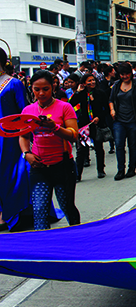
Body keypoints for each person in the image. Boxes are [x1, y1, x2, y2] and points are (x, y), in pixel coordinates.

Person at [20, 71, 80, 230]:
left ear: (53, 87)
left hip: (63, 166)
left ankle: (79, 239)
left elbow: (74, 135)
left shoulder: (64, 107)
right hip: (39, 168)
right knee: (39, 210)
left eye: (45, 89)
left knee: (68, 208)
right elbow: (23, 136)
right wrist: (27, 154)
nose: (41, 93)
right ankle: (44, 249)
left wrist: (54, 127)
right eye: (36, 89)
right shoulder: (27, 110)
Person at [0, 48, 30, 231]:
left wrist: (25, 136)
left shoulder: (14, 84)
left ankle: (10, 213)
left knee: (9, 174)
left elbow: (24, 112)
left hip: (9, 138)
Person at [109, 63, 136, 180]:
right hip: (119, 120)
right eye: (122, 74)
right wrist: (112, 110)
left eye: (127, 74)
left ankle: (132, 169)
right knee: (119, 145)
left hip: (133, 120)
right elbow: (111, 99)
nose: (125, 76)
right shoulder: (116, 85)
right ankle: (120, 170)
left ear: (131, 73)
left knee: (132, 145)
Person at [69, 73, 110, 180]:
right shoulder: (81, 94)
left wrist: (99, 117)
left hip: (96, 124)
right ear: (83, 83)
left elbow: (105, 108)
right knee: (81, 150)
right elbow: (70, 104)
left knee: (98, 148)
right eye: (89, 81)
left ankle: (101, 170)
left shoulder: (100, 93)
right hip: (84, 125)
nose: (92, 82)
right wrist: (78, 91)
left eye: (93, 80)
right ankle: (78, 174)